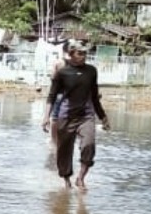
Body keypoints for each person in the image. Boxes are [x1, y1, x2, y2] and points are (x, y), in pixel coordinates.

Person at [41, 40, 111, 190]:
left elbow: (94, 96)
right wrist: (46, 117)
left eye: (85, 53)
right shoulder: (62, 73)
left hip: (86, 116)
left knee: (89, 145)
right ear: (71, 54)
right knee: (64, 151)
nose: (83, 56)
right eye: (80, 53)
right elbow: (52, 96)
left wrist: (103, 117)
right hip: (65, 116)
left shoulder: (91, 71)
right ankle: (67, 181)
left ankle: (80, 178)